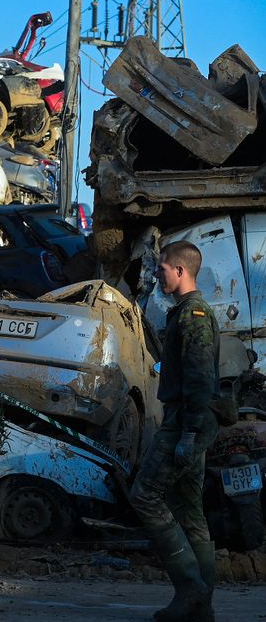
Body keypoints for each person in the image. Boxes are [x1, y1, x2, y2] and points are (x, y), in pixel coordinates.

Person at [131, 240, 219, 621]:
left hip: (187, 422)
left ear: (181, 272)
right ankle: (200, 608)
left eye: (162, 268)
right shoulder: (184, 312)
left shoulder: (193, 314)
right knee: (189, 510)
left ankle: (191, 590)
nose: (156, 274)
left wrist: (188, 434)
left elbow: (200, 380)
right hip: (186, 421)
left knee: (145, 496)